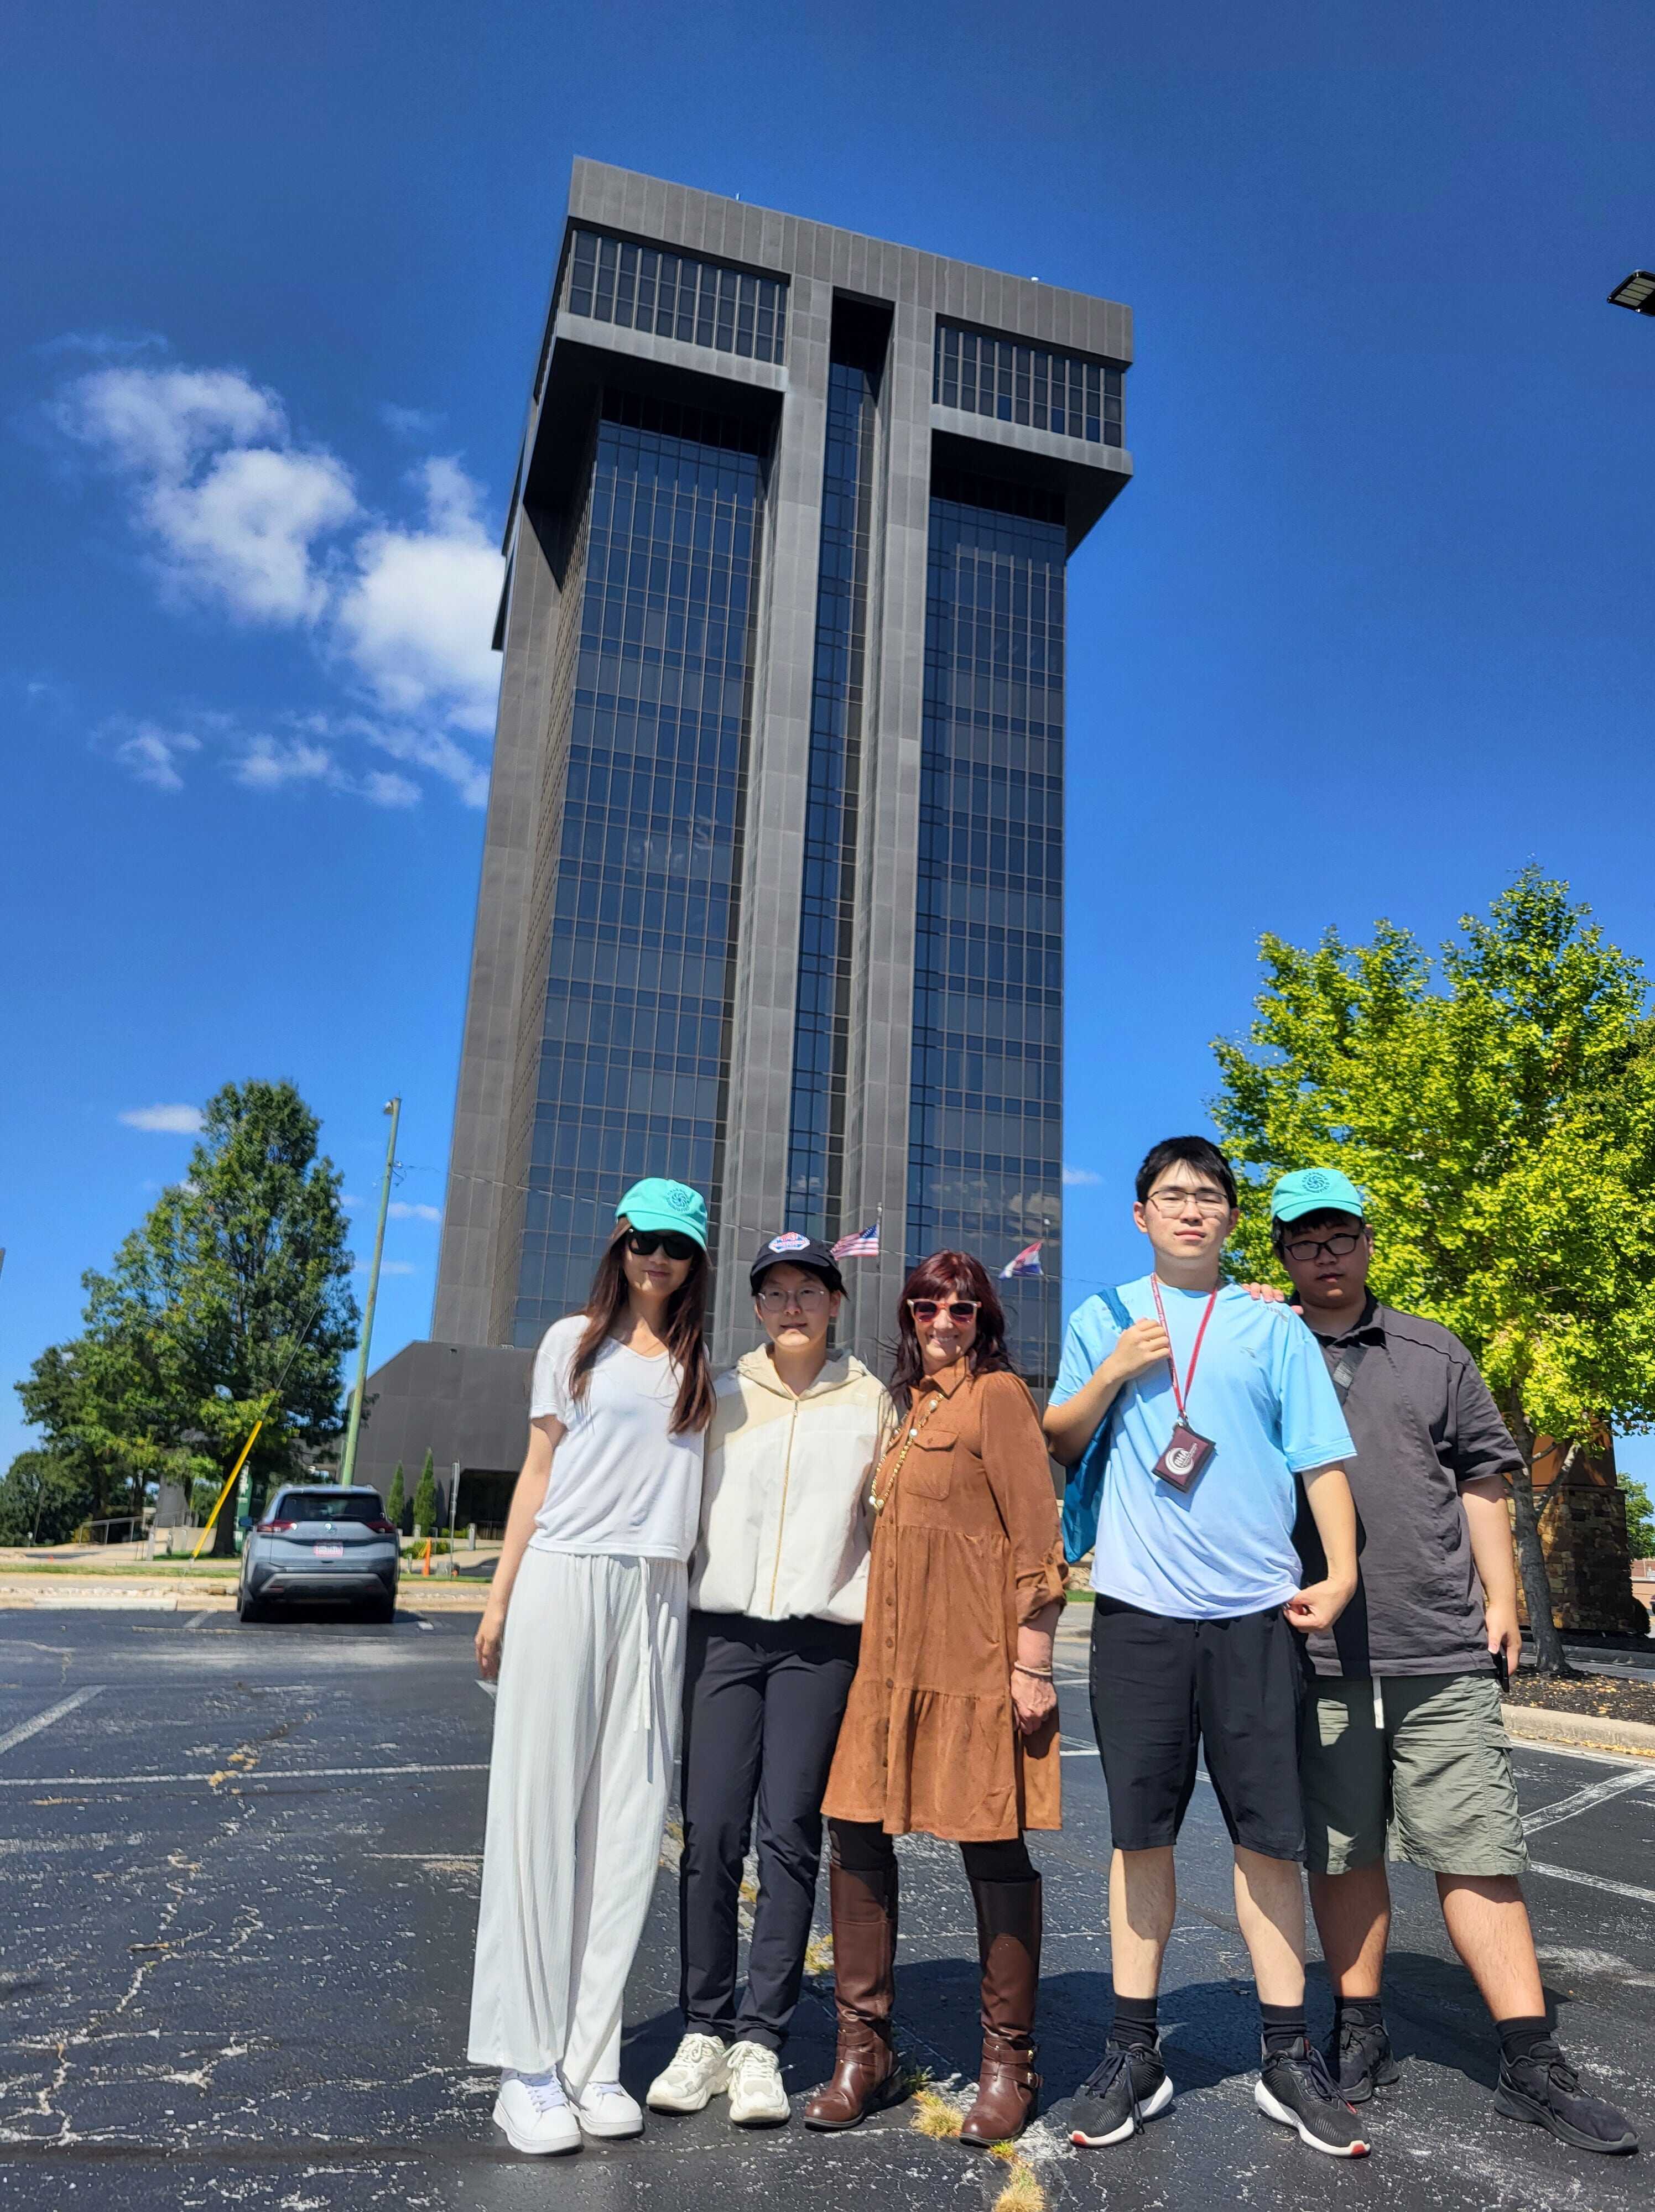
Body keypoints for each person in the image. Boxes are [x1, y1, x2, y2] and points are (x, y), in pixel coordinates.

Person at [1269, 1166, 1640, 2158]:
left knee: (1477, 1849)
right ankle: (1360, 2033)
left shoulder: (1434, 1350)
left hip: (1439, 1643)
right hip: (1317, 1651)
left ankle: (1529, 2062)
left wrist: (1505, 1601)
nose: (1326, 1255)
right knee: (1343, 1852)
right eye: (1305, 1242)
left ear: (1368, 1242)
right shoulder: (1261, 1347)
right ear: (1285, 1259)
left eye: (1341, 1235)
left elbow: (1483, 1478)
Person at [1044, 1135, 1370, 2158]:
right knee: (1138, 1836)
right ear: (1139, 1215)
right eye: (1172, 1196)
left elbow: (1321, 1462)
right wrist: (1111, 1374)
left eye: (1211, 1197)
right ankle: (1135, 2051)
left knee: (1269, 1839)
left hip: (1256, 1616)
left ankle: (1286, 2056)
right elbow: (1057, 1439)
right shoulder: (1103, 1317)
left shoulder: (1272, 1331)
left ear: (1232, 1220)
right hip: (1138, 1613)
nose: (1192, 1209)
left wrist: (1344, 1570)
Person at [467, 1178, 715, 2157]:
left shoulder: (704, 1366)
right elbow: (537, 1473)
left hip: (659, 1592)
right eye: (644, 1241)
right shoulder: (571, 1343)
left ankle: (589, 2056)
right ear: (618, 1244)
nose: (659, 1259)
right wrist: (498, 1597)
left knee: (629, 1821)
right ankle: (523, 2068)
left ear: (696, 1263)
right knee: (537, 1817)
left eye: (678, 1247)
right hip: (564, 1578)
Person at [804, 1251, 1066, 2145]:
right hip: (888, 1660)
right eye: (926, 1305)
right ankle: (862, 2053)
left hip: (974, 1660)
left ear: (984, 1316)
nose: (943, 1319)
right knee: (856, 1830)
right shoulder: (907, 1409)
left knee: (992, 1843)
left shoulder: (999, 1397)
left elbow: (1038, 1535)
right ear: (909, 1314)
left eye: (961, 1306)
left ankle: (1008, 2064)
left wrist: (1033, 1661)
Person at [647, 1233, 890, 2128]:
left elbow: (889, 1519)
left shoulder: (872, 1401)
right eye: (775, 1291)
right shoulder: (720, 1392)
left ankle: (760, 2040)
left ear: (835, 1302)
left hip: (819, 1646)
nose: (792, 1305)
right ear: (755, 1307)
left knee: (788, 1835)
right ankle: (703, 2027)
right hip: (722, 1636)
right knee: (711, 1832)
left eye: (809, 1290)